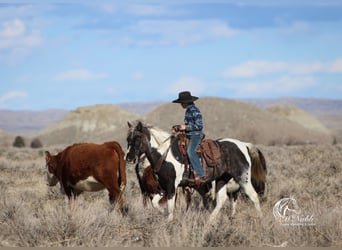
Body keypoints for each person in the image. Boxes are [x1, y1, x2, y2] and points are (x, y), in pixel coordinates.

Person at [172, 91, 206, 183]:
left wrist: (185, 127)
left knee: (190, 151)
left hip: (196, 135)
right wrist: (178, 128)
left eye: (181, 103)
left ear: (186, 102)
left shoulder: (194, 110)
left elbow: (199, 126)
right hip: (189, 134)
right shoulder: (188, 110)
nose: (181, 105)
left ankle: (200, 174)